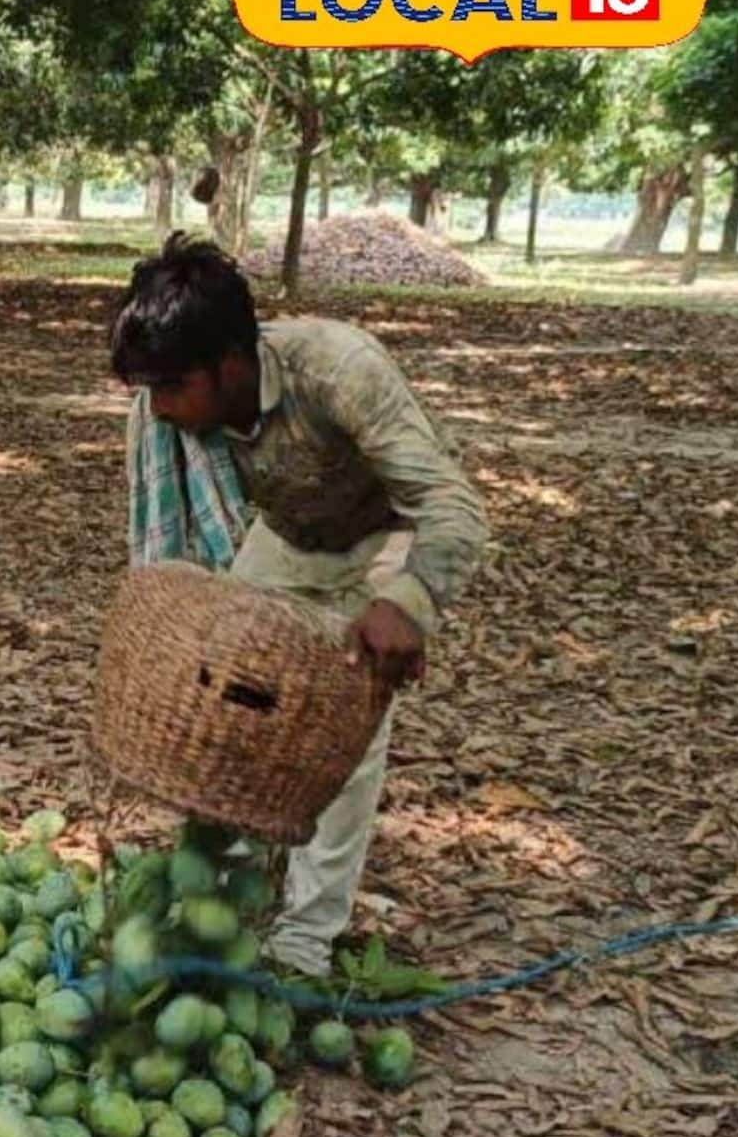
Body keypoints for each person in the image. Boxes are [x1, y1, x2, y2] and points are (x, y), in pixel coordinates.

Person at [111, 231, 489, 976]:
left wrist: (407, 602)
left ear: (227, 365)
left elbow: (453, 504)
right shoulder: (192, 415)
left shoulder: (340, 370)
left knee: (346, 728)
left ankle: (305, 940)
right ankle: (226, 889)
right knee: (234, 691)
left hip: (379, 538)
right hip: (286, 536)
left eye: (169, 389)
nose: (156, 412)